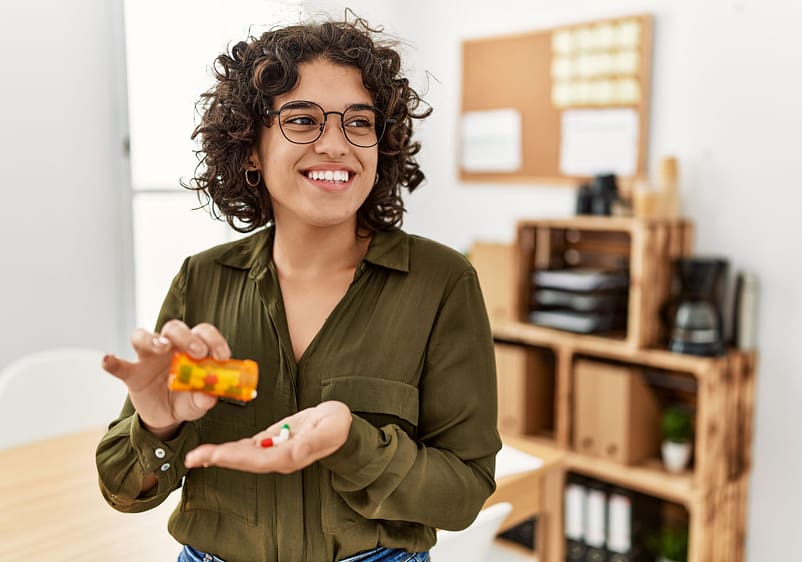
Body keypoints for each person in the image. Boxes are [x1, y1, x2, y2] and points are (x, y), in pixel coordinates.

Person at [95, 13, 501, 562]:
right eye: (303, 120)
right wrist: (158, 423)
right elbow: (124, 489)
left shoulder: (442, 283)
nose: (336, 144)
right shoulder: (203, 279)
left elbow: (464, 493)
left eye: (359, 122)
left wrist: (351, 443)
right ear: (252, 150)